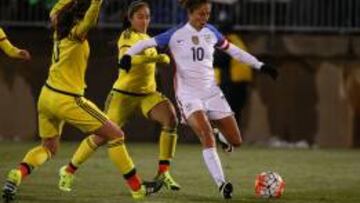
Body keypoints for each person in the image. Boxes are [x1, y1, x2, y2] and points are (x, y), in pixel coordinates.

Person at [2, 0, 161, 202]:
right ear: (78, 16)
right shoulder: (76, 33)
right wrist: (96, 2)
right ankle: (138, 189)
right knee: (116, 134)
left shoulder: (57, 27)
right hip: (68, 99)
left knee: (48, 148)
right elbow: (90, 20)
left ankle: (17, 174)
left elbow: (57, 9)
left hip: (46, 96)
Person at [119, 0, 278, 199]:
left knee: (236, 141)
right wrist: (127, 56)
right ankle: (222, 184)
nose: (204, 18)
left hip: (211, 93)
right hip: (188, 95)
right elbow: (145, 43)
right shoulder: (175, 34)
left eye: (208, 14)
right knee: (205, 135)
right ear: (190, 13)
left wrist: (261, 66)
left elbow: (234, 51)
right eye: (201, 14)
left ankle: (220, 134)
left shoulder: (212, 32)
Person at [57, 0, 181, 192]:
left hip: (147, 95)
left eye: (147, 17)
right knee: (101, 137)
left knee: (170, 118)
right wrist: (154, 58)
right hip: (123, 97)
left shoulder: (147, 38)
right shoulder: (127, 36)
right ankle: (68, 170)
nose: (144, 20)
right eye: (140, 16)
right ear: (130, 18)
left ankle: (163, 173)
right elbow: (128, 60)